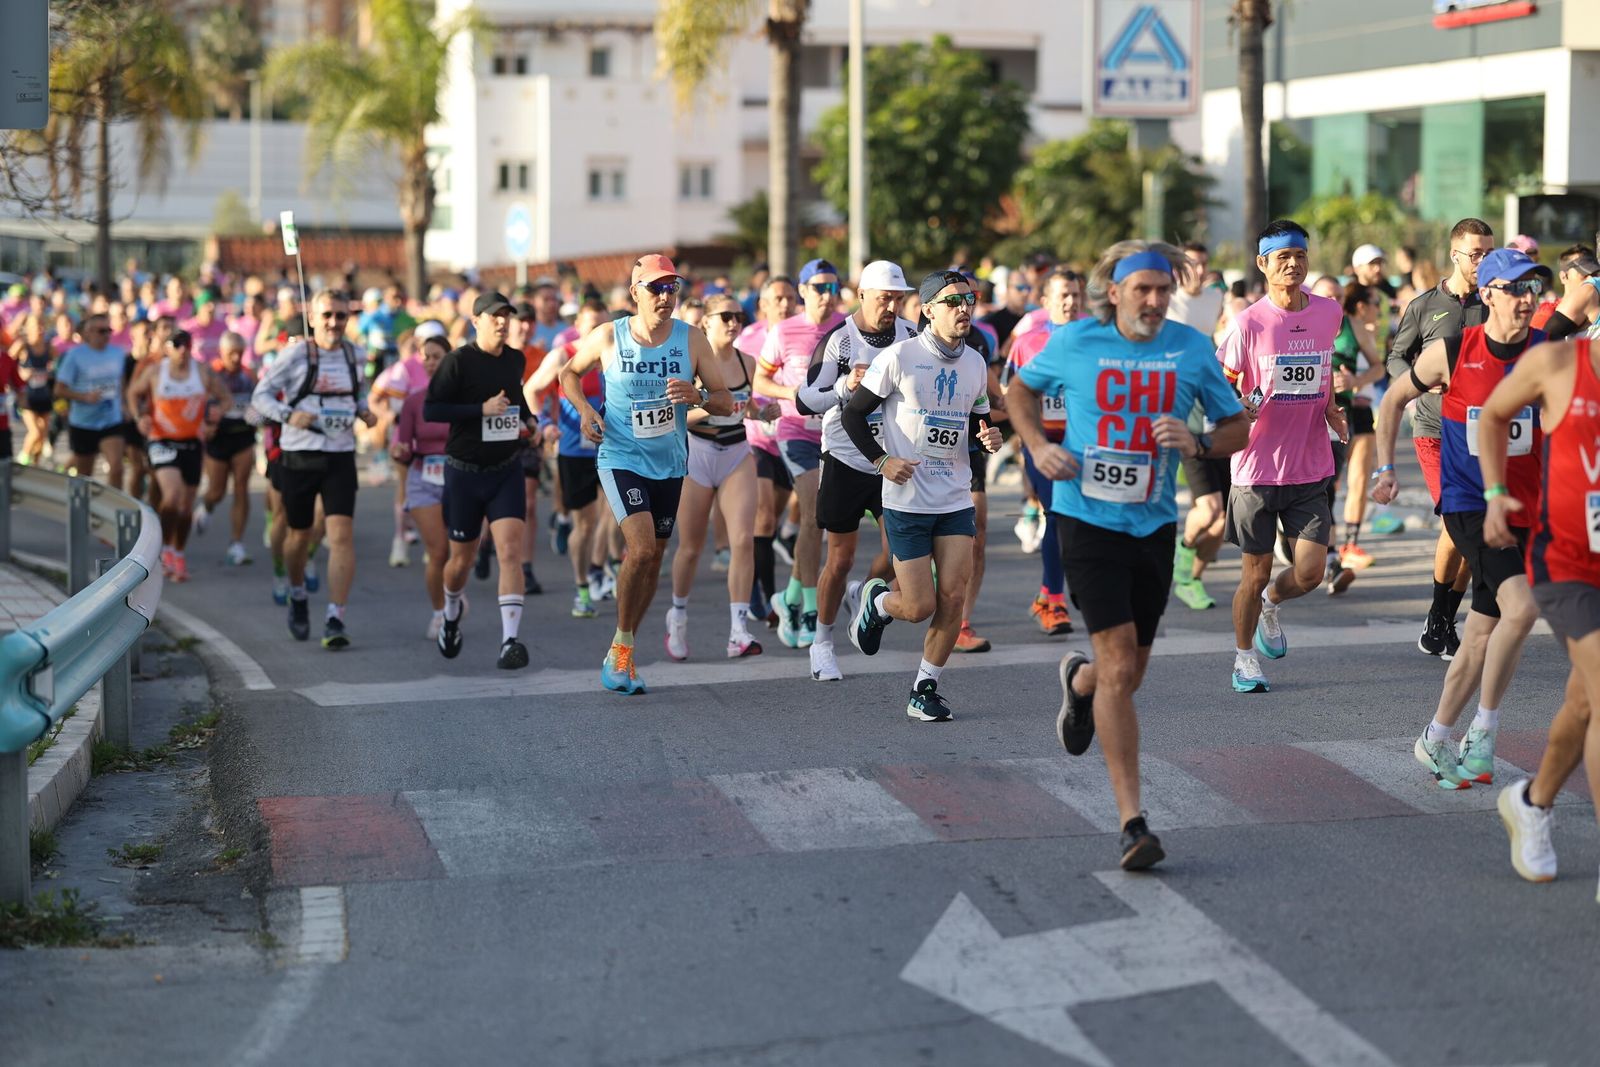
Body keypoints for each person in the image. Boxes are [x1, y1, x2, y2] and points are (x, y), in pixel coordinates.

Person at [1007, 240, 1248, 869]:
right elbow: (1018, 393)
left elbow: (1239, 427)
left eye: (1163, 290)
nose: (1154, 300)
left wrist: (1197, 443)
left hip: (1152, 524)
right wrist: (1038, 447)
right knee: (1119, 667)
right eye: (1143, 289)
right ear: (1114, 292)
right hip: (1085, 520)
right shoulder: (1075, 341)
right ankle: (1131, 823)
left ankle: (1078, 682)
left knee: (1127, 673)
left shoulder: (1190, 347)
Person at [1373, 248, 1549, 789]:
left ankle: (1436, 735)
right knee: (1522, 608)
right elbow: (1392, 401)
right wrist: (1385, 468)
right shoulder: (1453, 350)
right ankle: (1485, 731)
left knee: (1479, 634)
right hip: (1470, 504)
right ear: (1488, 293)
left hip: (1525, 506)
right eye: (1515, 288)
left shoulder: (1547, 353)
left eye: (1532, 288)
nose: (1526, 299)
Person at [560, 255, 735, 694]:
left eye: (672, 287)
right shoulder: (609, 336)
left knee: (654, 558)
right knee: (639, 551)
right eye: (656, 288)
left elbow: (725, 400)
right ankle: (621, 647)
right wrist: (585, 411)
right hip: (620, 457)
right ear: (635, 292)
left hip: (670, 463)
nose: (665, 296)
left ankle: (625, 647)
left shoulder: (691, 339)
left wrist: (698, 396)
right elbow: (569, 373)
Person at [840, 271, 1003, 721]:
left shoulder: (976, 363)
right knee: (917, 606)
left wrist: (990, 437)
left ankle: (923, 689)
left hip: (954, 498)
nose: (964, 308)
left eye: (969, 299)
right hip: (907, 499)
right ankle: (876, 602)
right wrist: (881, 461)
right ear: (928, 310)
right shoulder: (899, 357)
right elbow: (853, 416)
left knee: (953, 596)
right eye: (952, 301)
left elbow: (980, 423)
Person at [1476, 332, 1600, 889]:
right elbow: (1493, 415)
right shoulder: (1557, 362)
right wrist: (1494, 492)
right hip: (1567, 565)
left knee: (1585, 702)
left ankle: (1532, 801)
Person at [1217, 220, 1348, 694]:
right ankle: (1244, 659)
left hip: (1309, 462)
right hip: (1256, 468)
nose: (1293, 264)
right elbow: (1219, 382)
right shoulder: (1249, 323)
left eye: (1300, 255)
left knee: (1311, 571)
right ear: (1263, 264)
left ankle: (1272, 604)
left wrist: (1331, 408)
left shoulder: (1329, 312)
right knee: (1253, 574)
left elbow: (1322, 367)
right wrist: (1237, 404)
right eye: (1283, 257)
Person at [793, 260, 916, 680]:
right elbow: (804, 400)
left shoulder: (911, 335)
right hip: (845, 458)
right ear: (862, 295)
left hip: (890, 460)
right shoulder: (840, 341)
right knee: (840, 558)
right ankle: (822, 643)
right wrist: (844, 387)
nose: (891, 307)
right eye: (884, 299)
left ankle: (863, 595)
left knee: (898, 555)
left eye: (897, 299)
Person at [1387, 218, 1496, 659]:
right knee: (1457, 521)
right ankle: (1441, 616)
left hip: (1482, 434)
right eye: (1476, 253)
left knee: (1472, 525)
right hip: (1435, 431)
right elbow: (1397, 358)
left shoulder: (1495, 302)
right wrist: (1420, 384)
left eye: (1489, 252)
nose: (1483, 261)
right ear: (1455, 254)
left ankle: (1441, 618)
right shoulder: (1424, 305)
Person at [250, 290, 377, 649]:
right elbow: (260, 397)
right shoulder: (296, 354)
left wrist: (364, 411)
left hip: (340, 455)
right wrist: (289, 415)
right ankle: (297, 592)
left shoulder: (355, 354)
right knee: (299, 536)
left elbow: (358, 392)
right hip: (300, 455)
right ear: (313, 318)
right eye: (327, 315)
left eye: (341, 315)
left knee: (341, 536)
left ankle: (336, 617)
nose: (334, 322)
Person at [424, 292, 534, 671]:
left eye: (506, 315)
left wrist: (531, 421)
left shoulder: (515, 358)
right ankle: (451, 612)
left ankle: (510, 641)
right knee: (461, 561)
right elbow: (432, 409)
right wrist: (480, 410)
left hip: (505, 469)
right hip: (464, 473)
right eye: (494, 316)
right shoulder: (457, 361)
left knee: (510, 551)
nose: (502, 322)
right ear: (476, 321)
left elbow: (516, 397)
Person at [665, 294, 773, 660]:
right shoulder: (690, 362)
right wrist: (710, 405)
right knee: (691, 547)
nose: (733, 322)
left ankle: (738, 631)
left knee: (742, 540)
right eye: (725, 316)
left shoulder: (747, 362)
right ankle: (678, 615)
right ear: (706, 322)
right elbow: (677, 415)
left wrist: (762, 412)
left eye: (738, 316)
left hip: (736, 452)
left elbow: (746, 405)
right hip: (697, 452)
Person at [754, 259, 846, 650]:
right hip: (795, 432)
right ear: (803, 291)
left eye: (833, 287)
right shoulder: (784, 330)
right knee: (812, 515)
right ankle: (810, 608)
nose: (827, 294)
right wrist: (792, 394)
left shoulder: (847, 327)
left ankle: (789, 595)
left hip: (837, 433)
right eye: (819, 287)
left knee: (818, 522)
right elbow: (761, 379)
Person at [1006, 267, 1084, 633]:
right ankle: (1054, 601)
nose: (1070, 301)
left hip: (1086, 444)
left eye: (1076, 294)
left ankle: (1047, 595)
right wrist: (1031, 440)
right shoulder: (1028, 342)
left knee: (1081, 523)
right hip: (1044, 444)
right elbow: (1012, 395)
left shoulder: (1097, 338)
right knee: (1058, 516)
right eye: (1063, 295)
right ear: (1046, 301)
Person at [126, 329, 231, 582]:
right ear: (167, 348)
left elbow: (225, 398)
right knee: (172, 496)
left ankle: (177, 552)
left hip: (192, 443)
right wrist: (139, 417)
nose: (182, 349)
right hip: (161, 441)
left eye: (187, 344)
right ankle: (161, 551)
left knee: (185, 508)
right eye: (177, 344)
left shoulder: (202, 372)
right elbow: (133, 393)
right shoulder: (155, 372)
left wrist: (215, 418)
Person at [527, 301, 608, 619]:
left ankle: (601, 568)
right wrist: (545, 424)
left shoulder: (616, 354)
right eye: (591, 325)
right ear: (577, 326)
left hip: (613, 449)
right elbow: (531, 390)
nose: (598, 331)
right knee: (585, 525)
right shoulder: (564, 355)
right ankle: (582, 587)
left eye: (603, 325)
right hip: (576, 450)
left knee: (616, 518)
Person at [1168, 244, 1232, 611]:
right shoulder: (1167, 301)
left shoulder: (1215, 298)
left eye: (1203, 264)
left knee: (1223, 520)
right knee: (1209, 510)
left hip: (1216, 412)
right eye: (1191, 264)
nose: (1198, 270)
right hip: (1184, 416)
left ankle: (1192, 578)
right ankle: (1182, 559)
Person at [740, 275, 798, 624]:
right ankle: (764, 596)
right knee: (762, 515)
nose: (785, 304)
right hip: (757, 437)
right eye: (778, 298)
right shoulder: (749, 338)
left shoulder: (806, 332)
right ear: (763, 304)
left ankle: (753, 579)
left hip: (793, 436)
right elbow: (735, 381)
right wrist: (755, 410)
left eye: (790, 297)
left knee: (771, 520)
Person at [1327, 282, 1389, 584]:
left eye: (1338, 296)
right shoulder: (1301, 322)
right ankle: (1315, 546)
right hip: (1311, 413)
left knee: (1354, 479)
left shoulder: (1356, 327)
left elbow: (1379, 368)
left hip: (1352, 410)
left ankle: (1343, 549)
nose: (1333, 300)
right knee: (1325, 483)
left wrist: (1355, 381)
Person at [391, 333, 452, 639]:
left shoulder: (465, 399)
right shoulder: (414, 401)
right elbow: (403, 446)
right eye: (426, 357)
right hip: (423, 479)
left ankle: (453, 595)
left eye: (436, 356)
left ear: (449, 361)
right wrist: (398, 451)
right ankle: (440, 612)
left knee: (460, 554)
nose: (430, 362)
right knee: (438, 551)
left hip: (459, 479)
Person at [192, 330, 259, 566]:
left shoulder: (249, 375)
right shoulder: (210, 374)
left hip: (243, 437)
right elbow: (194, 403)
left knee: (241, 487)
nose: (236, 358)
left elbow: (260, 401)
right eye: (232, 353)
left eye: (240, 353)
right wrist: (203, 426)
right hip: (218, 439)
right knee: (217, 491)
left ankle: (236, 543)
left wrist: (258, 415)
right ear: (222, 352)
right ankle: (207, 506)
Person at [54, 311, 127, 486]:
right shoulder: (74, 355)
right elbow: (59, 389)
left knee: (117, 468)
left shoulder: (118, 353)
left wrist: (124, 404)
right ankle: (81, 502)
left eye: (108, 330)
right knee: (85, 476)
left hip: (111, 420)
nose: (106, 335)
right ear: (88, 333)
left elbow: (121, 381)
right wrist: (84, 397)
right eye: (101, 331)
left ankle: (112, 503)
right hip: (83, 423)